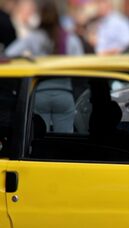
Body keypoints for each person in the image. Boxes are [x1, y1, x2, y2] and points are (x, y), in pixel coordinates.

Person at [5, 1, 82, 133]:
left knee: (40, 139)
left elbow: (9, 54)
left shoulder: (33, 37)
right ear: (58, 16)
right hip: (64, 93)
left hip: (39, 93)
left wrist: (27, 60)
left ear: (40, 16)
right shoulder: (70, 38)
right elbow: (82, 63)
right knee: (65, 141)